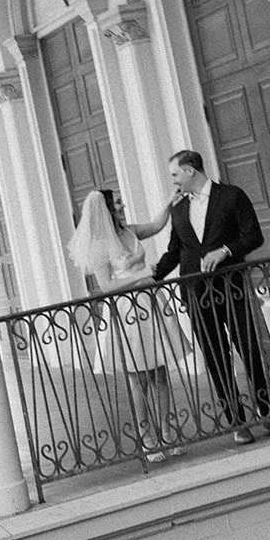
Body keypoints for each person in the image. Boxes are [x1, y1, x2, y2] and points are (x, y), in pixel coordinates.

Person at [152, 149, 270, 445]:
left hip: (232, 288)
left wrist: (225, 251)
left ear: (190, 170)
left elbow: (254, 236)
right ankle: (237, 421)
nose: (173, 181)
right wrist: (151, 277)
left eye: (175, 174)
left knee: (248, 348)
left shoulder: (232, 196)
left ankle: (266, 411)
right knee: (215, 357)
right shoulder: (179, 209)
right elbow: (175, 252)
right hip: (195, 294)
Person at [68, 188, 186, 462]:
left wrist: (169, 202)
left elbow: (156, 225)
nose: (122, 205)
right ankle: (146, 438)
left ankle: (167, 431)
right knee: (139, 377)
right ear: (107, 209)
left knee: (160, 371)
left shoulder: (129, 232)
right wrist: (141, 274)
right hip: (127, 310)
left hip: (149, 304)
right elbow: (106, 285)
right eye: (118, 203)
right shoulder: (100, 245)